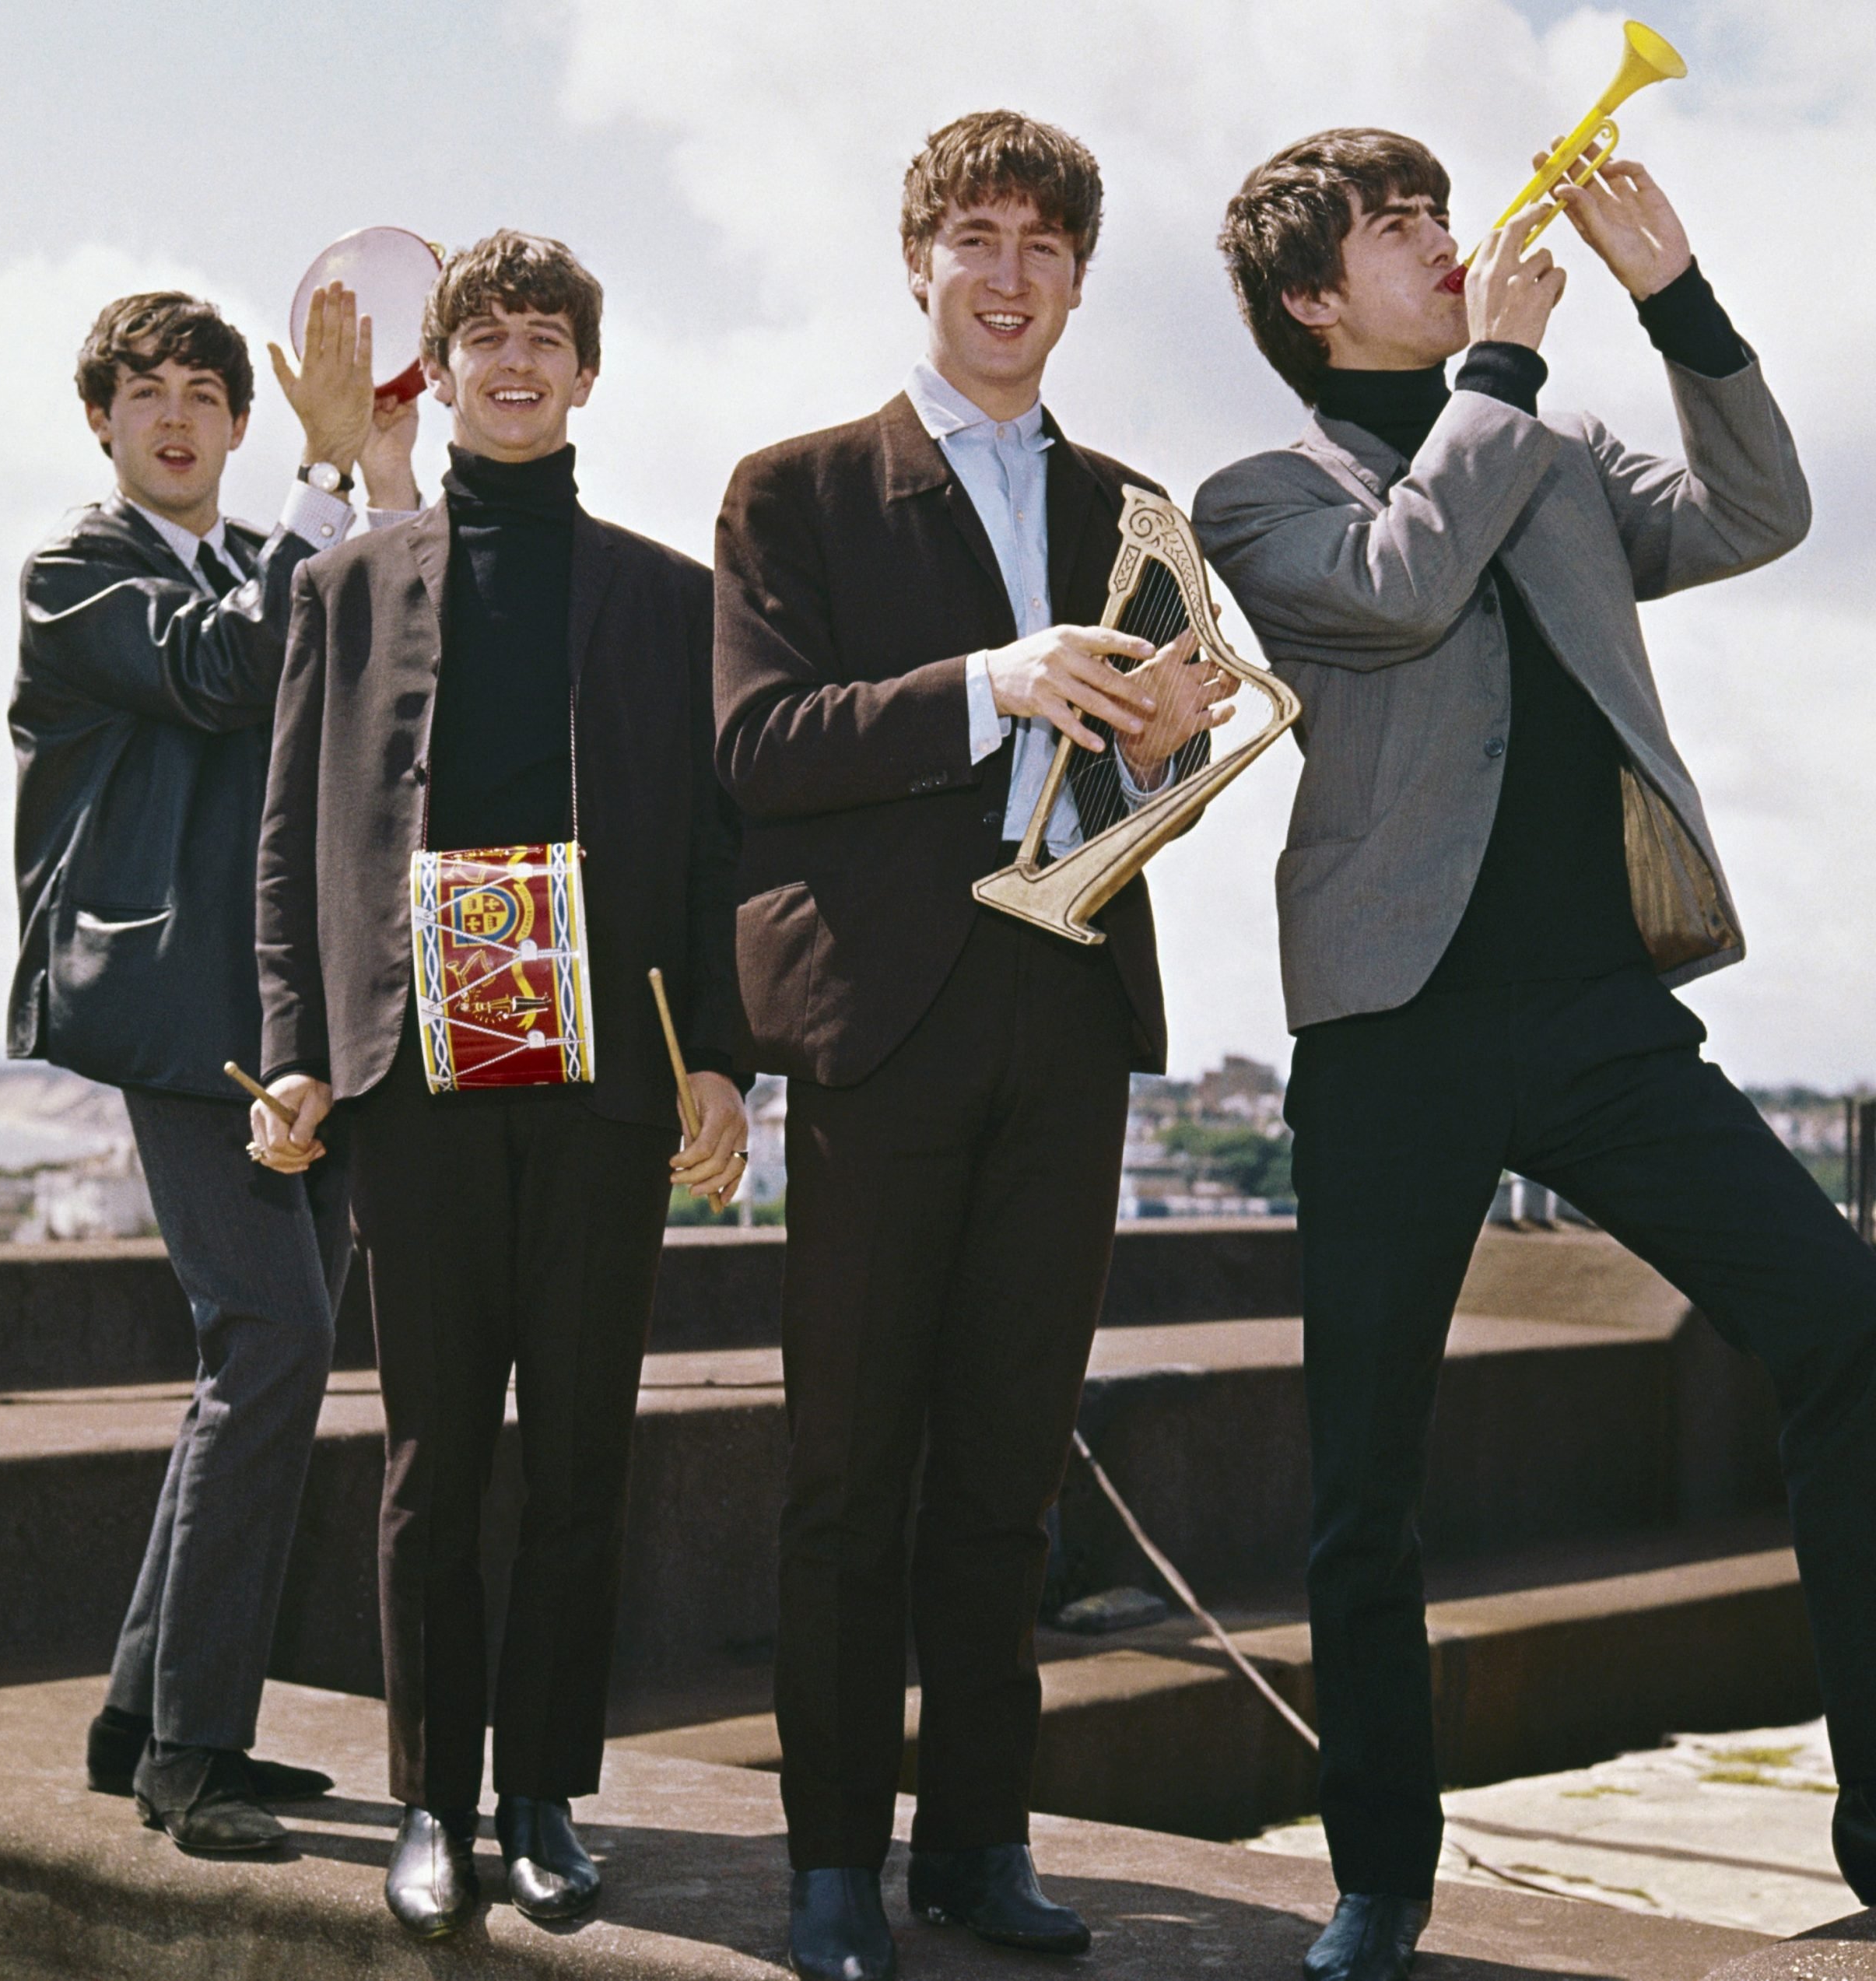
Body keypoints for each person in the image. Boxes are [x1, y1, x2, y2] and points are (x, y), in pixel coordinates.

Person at [1195, 129, 1876, 1980]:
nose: (1439, 240)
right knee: (1365, 1480)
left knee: (1841, 1318)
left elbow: (1756, 518)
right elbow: (1398, 586)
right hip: (1386, 1037)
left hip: (1594, 1014)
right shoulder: (1255, 488)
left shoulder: (1559, 451)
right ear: (1311, 300)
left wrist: (1676, 300)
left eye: (1435, 212)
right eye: (1390, 230)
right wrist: (1493, 366)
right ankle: (1378, 1878)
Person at [714, 110, 1233, 1981]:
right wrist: (979, 690)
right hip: (885, 1025)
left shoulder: (1131, 506)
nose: (1006, 273)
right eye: (975, 237)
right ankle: (832, 1865)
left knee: (1009, 1466)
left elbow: (1150, 767)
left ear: (1081, 279)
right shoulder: (791, 493)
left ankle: (979, 1847)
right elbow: (757, 749)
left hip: (1067, 1010)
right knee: (848, 1469)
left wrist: (1167, 742)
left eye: (1040, 245)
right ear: (917, 258)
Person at [251, 229, 749, 1942]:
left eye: (547, 338)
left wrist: (726, 1066)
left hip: (605, 1076)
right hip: (414, 1074)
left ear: (586, 375)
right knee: (431, 1458)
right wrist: (300, 1043)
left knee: (582, 1455)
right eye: (486, 338)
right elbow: (285, 841)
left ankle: (541, 1800)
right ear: (440, 371)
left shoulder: (673, 597)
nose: (516, 363)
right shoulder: (342, 585)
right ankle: (428, 1806)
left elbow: (709, 852)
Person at [8, 286, 416, 1852]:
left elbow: (401, 656)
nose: (175, 412)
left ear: (237, 422)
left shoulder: (283, 551)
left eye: (202, 389)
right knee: (271, 1340)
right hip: (175, 1013)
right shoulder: (75, 572)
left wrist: (381, 469)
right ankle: (194, 1748)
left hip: (296, 1019)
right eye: (142, 391)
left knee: (252, 1360)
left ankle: (134, 1716)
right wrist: (323, 481)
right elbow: (217, 669)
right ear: (102, 420)